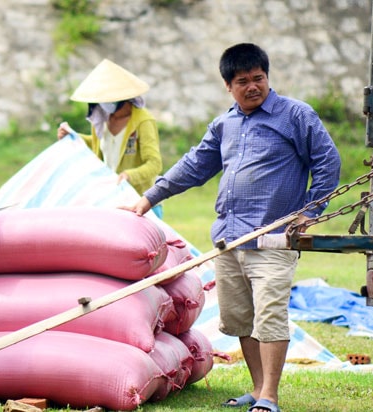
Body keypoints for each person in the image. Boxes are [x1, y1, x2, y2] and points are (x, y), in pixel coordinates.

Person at [122, 43, 341, 412]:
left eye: (259, 78)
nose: (253, 86)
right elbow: (194, 165)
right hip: (229, 239)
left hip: (273, 239)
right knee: (241, 319)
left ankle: (270, 397)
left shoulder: (296, 116)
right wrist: (149, 199)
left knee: (270, 316)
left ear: (267, 77)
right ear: (229, 86)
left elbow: (327, 161)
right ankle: (257, 390)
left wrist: (311, 212)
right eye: (243, 81)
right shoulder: (226, 124)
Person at [57, 58, 163, 217]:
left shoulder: (143, 121)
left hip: (141, 202)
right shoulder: (101, 120)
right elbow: (100, 145)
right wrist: (72, 136)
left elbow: (154, 164)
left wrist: (129, 175)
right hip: (112, 200)